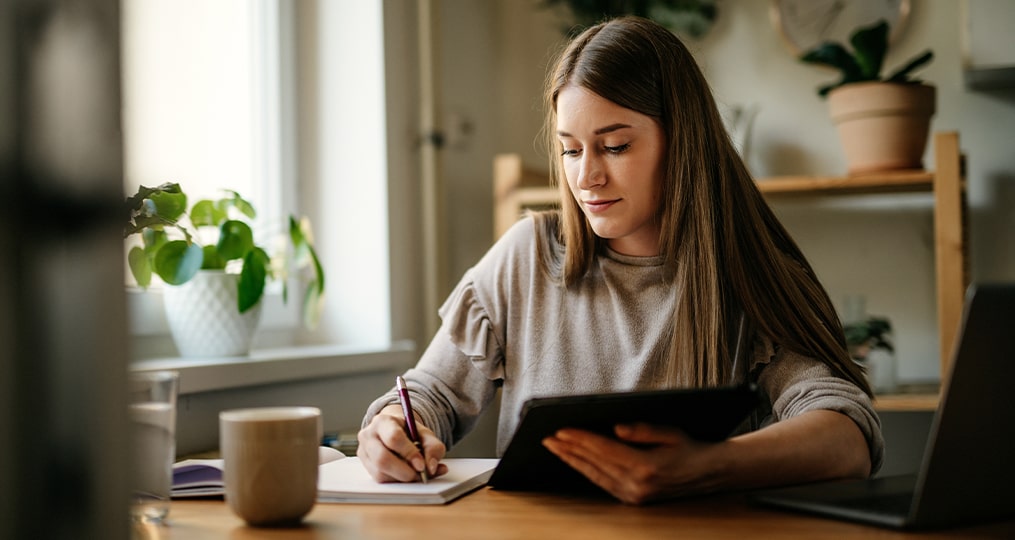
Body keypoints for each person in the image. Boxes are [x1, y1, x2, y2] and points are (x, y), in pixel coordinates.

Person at [357, 16, 883, 504]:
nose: (586, 177)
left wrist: (705, 466)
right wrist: (393, 429)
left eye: (614, 146)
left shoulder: (743, 275)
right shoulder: (527, 256)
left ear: (682, 142)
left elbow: (847, 436)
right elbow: (428, 395)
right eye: (570, 149)